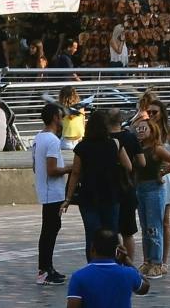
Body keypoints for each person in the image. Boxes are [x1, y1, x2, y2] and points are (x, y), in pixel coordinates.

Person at [129, 100, 170, 279]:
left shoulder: (157, 148)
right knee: (145, 226)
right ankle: (147, 261)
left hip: (155, 187)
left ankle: (157, 262)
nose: (140, 131)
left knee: (155, 226)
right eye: (139, 129)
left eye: (144, 129)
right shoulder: (139, 147)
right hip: (141, 188)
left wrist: (163, 172)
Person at [66, 110, 130, 261]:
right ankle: (111, 264)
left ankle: (93, 265)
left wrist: (68, 198)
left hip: (88, 195)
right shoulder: (115, 143)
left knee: (92, 234)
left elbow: (75, 173)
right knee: (112, 233)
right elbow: (128, 166)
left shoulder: (82, 146)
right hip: (111, 193)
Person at [32, 102, 70, 286]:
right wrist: (70, 168)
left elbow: (35, 166)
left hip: (45, 190)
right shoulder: (53, 141)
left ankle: (47, 268)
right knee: (49, 230)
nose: (63, 120)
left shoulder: (38, 137)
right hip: (52, 192)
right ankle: (44, 270)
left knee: (50, 229)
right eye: (61, 116)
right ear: (55, 117)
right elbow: (52, 170)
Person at [65, 227, 147, 308]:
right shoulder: (129, 273)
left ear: (92, 248)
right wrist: (127, 261)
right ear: (117, 250)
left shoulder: (79, 277)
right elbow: (145, 287)